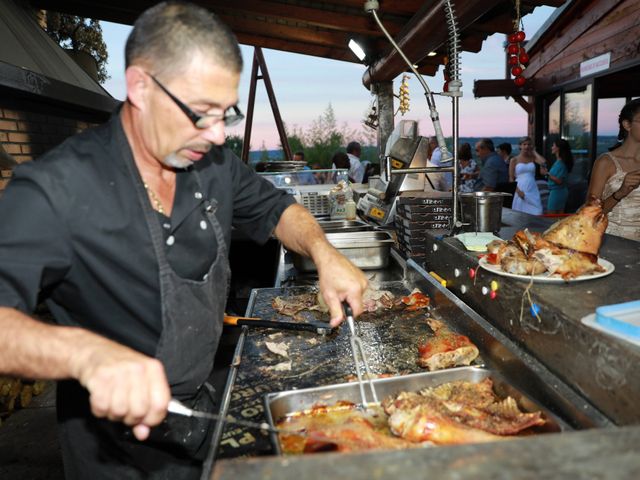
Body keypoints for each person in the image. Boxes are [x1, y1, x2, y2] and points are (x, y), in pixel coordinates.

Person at [0, 3, 368, 479]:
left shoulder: (211, 162)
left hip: (201, 409)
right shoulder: (55, 188)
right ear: (140, 87)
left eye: (225, 113)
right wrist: (84, 354)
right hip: (112, 448)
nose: (217, 134)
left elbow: (277, 209)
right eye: (201, 113)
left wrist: (325, 252)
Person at [586, 98, 640, 240]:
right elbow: (589, 213)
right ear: (627, 125)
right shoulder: (606, 162)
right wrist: (620, 192)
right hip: (615, 242)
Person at [510, 136, 544, 215]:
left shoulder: (533, 158)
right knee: (521, 213)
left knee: (537, 211)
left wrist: (534, 152)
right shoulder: (514, 160)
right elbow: (511, 178)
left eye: (529, 144)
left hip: (532, 188)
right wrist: (518, 191)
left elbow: (543, 162)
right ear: (520, 146)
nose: (526, 146)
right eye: (524, 144)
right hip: (520, 188)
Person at [541, 138, 573, 214]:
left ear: (558, 148)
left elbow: (559, 181)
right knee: (557, 218)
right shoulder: (559, 161)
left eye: (553, 146)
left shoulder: (561, 163)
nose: (551, 147)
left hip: (557, 193)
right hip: (557, 192)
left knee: (551, 217)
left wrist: (546, 173)